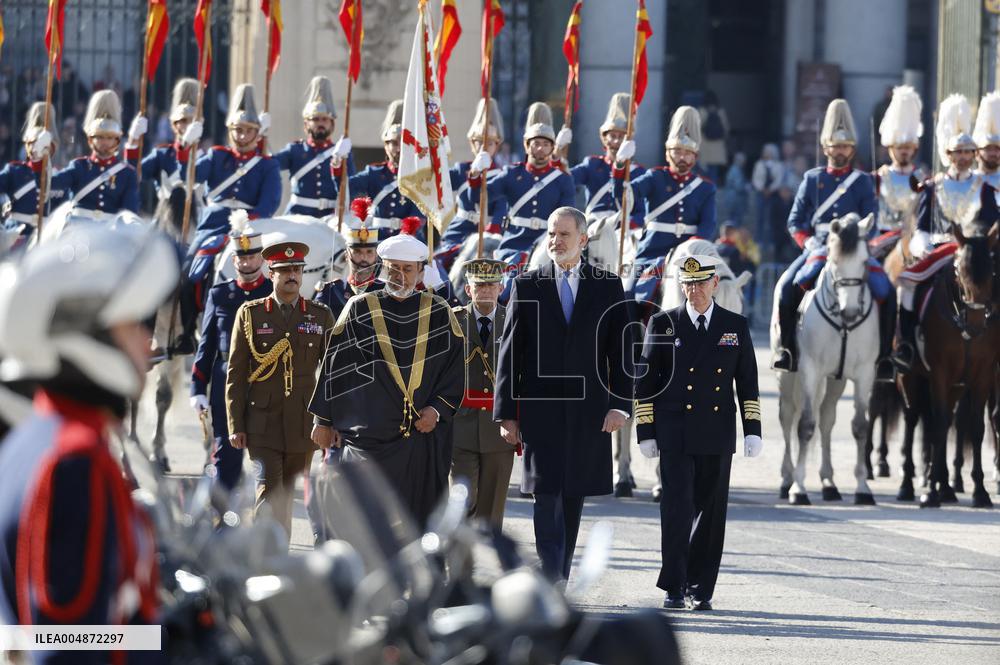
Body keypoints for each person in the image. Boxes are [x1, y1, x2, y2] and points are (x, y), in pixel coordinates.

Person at [0, 226, 178, 660]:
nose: (148, 341)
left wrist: (166, 635)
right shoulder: (76, 458)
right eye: (132, 324)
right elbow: (63, 644)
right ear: (88, 333)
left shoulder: (34, 433)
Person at [494, 206, 634, 583]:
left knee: (573, 497)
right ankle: (551, 576)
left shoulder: (607, 286)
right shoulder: (527, 284)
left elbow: (621, 351)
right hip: (541, 412)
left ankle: (561, 574)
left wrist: (621, 404)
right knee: (546, 494)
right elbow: (510, 353)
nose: (555, 241)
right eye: (552, 234)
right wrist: (506, 413)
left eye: (564, 235)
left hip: (590, 411)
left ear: (583, 240)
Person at [634, 254, 762, 611]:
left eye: (700, 283)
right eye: (687, 284)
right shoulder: (663, 324)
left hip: (717, 432)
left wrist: (753, 429)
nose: (694, 290)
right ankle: (674, 585)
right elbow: (646, 383)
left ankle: (700, 587)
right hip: (675, 432)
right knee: (676, 510)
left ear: (715, 284)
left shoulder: (734, 325)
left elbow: (747, 383)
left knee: (711, 512)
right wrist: (646, 429)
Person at [308, 233, 464, 526]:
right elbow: (334, 368)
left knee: (420, 524)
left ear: (420, 272)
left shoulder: (440, 312)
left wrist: (437, 410)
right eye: (393, 268)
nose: (400, 276)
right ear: (383, 268)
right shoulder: (359, 307)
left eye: (407, 269)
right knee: (365, 523)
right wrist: (323, 420)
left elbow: (455, 372)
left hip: (422, 436)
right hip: (367, 438)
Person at [225, 240, 335, 542]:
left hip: (303, 424)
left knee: (286, 494)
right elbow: (235, 374)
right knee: (268, 493)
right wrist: (236, 424)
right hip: (263, 423)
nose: (292, 275)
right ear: (270, 273)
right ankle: (267, 560)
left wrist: (329, 420)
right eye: (285, 270)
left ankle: (280, 565)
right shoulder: (251, 315)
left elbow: (332, 371)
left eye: (297, 270)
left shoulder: (319, 315)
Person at [771, 99, 883, 375]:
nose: (840, 151)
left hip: (853, 249)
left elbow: (873, 221)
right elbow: (795, 221)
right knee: (786, 287)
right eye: (835, 145)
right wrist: (809, 243)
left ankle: (886, 356)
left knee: (887, 292)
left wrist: (861, 245)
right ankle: (788, 350)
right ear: (825, 147)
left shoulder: (862, 181)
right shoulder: (811, 179)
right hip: (819, 248)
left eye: (845, 146)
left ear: (852, 148)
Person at [893, 94, 1000, 372]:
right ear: (949, 155)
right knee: (906, 284)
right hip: (939, 251)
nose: (964, 158)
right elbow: (923, 226)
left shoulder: (985, 188)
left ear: (973, 155)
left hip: (973, 253)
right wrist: (922, 246)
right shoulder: (933, 186)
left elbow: (991, 225)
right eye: (959, 153)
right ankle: (904, 344)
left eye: (968, 153)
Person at [181, 83, 282, 353]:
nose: (242, 135)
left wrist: (242, 225)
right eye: (237, 129)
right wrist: (188, 147)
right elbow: (187, 177)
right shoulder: (216, 156)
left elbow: (269, 204)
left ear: (256, 132)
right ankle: (186, 332)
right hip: (212, 225)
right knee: (189, 272)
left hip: (249, 227)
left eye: (248, 130)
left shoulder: (266, 164)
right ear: (230, 130)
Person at [190, 213, 271, 491]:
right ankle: (224, 523)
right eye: (242, 258)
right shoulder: (220, 294)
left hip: (266, 384)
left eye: (252, 257)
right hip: (226, 385)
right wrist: (197, 387)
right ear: (234, 260)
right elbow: (207, 344)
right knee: (226, 454)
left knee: (267, 457)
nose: (247, 264)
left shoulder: (275, 293)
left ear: (262, 259)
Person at [613, 106, 717, 307]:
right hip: (652, 252)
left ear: (695, 157)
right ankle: (631, 337)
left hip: (690, 254)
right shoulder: (655, 177)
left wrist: (687, 249)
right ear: (668, 153)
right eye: (677, 151)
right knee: (628, 295)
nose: (682, 158)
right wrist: (619, 166)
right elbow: (624, 199)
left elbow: (708, 226)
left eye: (688, 153)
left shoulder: (705, 187)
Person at [467, 102, 575, 270]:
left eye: (546, 144)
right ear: (526, 145)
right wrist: (475, 173)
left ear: (552, 148)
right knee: (506, 283)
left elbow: (568, 218)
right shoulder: (511, 173)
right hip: (513, 243)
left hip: (548, 244)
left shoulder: (562, 179)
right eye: (536, 143)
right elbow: (478, 198)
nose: (540, 148)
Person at [450, 258, 514, 527]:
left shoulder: (514, 319)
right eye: (479, 286)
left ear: (501, 289)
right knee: (463, 499)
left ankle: (488, 559)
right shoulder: (452, 320)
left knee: (493, 503)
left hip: (500, 425)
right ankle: (461, 560)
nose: (485, 291)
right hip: (459, 423)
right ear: (468, 290)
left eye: (491, 286)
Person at [436, 97, 508, 270]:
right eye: (479, 142)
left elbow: (501, 209)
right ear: (471, 143)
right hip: (459, 232)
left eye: (489, 143)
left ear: (496, 145)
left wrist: (491, 232)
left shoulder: (503, 174)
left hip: (487, 234)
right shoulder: (461, 170)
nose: (484, 147)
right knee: (436, 265)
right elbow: (438, 180)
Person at [339, 100, 425, 239]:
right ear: (386, 145)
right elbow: (345, 186)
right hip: (377, 239)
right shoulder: (374, 173)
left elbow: (418, 215)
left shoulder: (420, 176)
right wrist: (342, 159)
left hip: (410, 239)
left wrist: (405, 237)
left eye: (403, 143)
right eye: (394, 143)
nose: (398, 149)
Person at [50, 90, 139, 220]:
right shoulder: (79, 166)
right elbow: (50, 183)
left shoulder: (126, 173)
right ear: (90, 140)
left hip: (109, 233)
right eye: (100, 137)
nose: (105, 142)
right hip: (78, 231)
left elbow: (129, 213)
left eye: (109, 138)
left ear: (117, 141)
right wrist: (41, 158)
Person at [274, 76, 354, 218]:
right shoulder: (295, 150)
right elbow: (268, 164)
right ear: (306, 124)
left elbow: (351, 185)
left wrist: (342, 158)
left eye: (324, 119)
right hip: (297, 215)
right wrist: (258, 138)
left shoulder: (340, 152)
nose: (320, 123)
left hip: (329, 217)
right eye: (315, 119)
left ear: (332, 124)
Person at [564, 93, 646, 230]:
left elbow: (642, 212)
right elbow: (564, 180)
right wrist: (557, 154)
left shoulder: (638, 172)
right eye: (612, 136)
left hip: (622, 230)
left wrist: (627, 225)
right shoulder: (592, 165)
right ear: (604, 138)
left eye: (621, 137)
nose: (616, 141)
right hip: (593, 227)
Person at [124, 78, 202, 202]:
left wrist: (185, 149)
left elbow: (187, 183)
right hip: (166, 218)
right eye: (183, 121)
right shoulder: (162, 155)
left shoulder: (207, 157)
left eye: (191, 121)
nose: (187, 126)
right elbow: (131, 178)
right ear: (174, 124)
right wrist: (132, 142)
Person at [871, 85, 924, 259]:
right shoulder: (877, 177)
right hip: (881, 242)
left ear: (914, 149)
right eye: (899, 147)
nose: (904, 151)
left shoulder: (923, 179)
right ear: (890, 148)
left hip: (913, 244)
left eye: (908, 147)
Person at [0, 102, 62, 251]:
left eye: (41, 146)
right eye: (32, 144)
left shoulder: (57, 177)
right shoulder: (14, 171)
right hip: (16, 239)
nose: (35, 149)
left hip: (44, 243)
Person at [315, 196, 384, 318]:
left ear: (376, 256)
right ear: (347, 256)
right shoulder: (330, 292)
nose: (364, 258)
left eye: (369, 252)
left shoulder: (386, 293)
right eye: (357, 252)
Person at [751, 143, 783, 253]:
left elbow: (779, 179)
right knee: (760, 217)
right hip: (761, 194)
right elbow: (756, 179)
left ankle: (770, 242)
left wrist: (771, 189)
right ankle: (759, 241)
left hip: (773, 195)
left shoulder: (778, 165)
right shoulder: (759, 164)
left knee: (771, 218)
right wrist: (762, 189)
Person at [698, 90, 729, 182]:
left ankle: (703, 193)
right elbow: (726, 129)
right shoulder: (721, 112)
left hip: (704, 146)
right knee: (713, 173)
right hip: (717, 146)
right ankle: (712, 192)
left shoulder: (701, 111)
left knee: (702, 173)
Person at [974, 91, 1000, 189]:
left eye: (997, 149)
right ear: (977, 152)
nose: (993, 153)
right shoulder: (967, 181)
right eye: (988, 148)